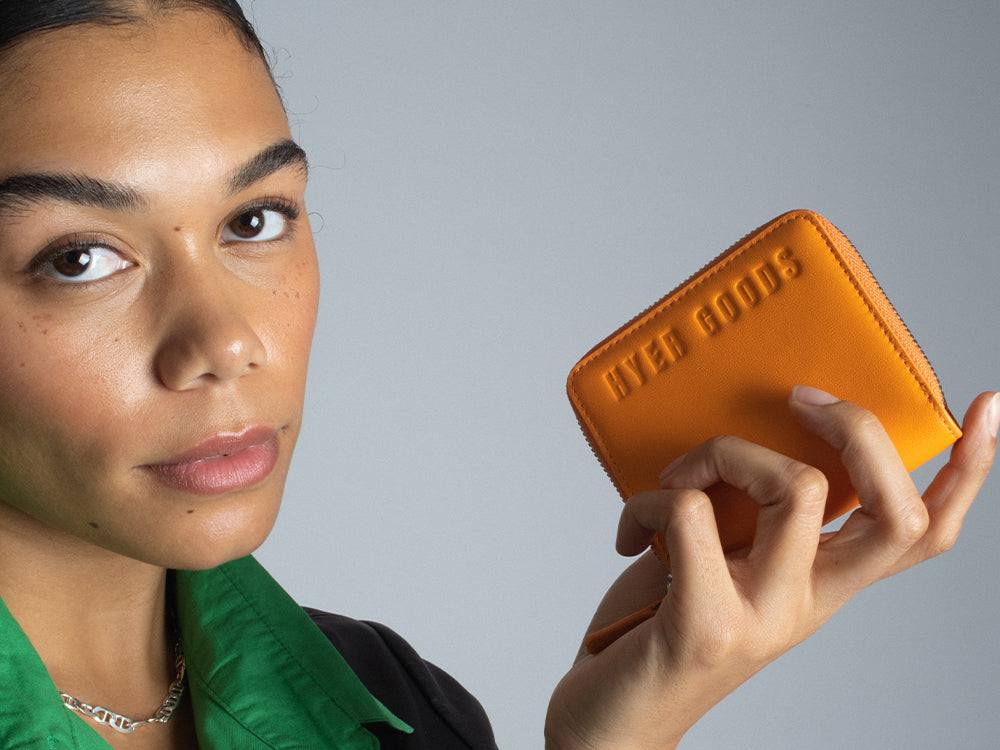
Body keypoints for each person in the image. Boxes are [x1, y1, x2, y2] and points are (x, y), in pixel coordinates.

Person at [0, 2, 995, 748]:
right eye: (77, 257)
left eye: (255, 219)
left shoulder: (401, 701)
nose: (223, 343)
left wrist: (621, 736)